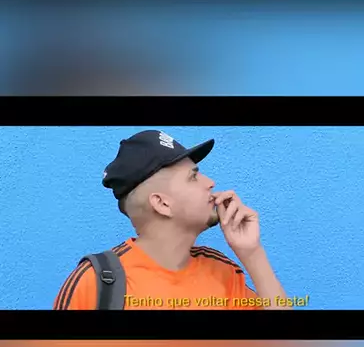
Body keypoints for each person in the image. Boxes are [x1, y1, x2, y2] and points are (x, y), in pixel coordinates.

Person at [53, 129, 291, 310]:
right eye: (193, 177)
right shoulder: (97, 283)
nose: (210, 183)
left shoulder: (223, 273)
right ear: (162, 203)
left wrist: (252, 252)